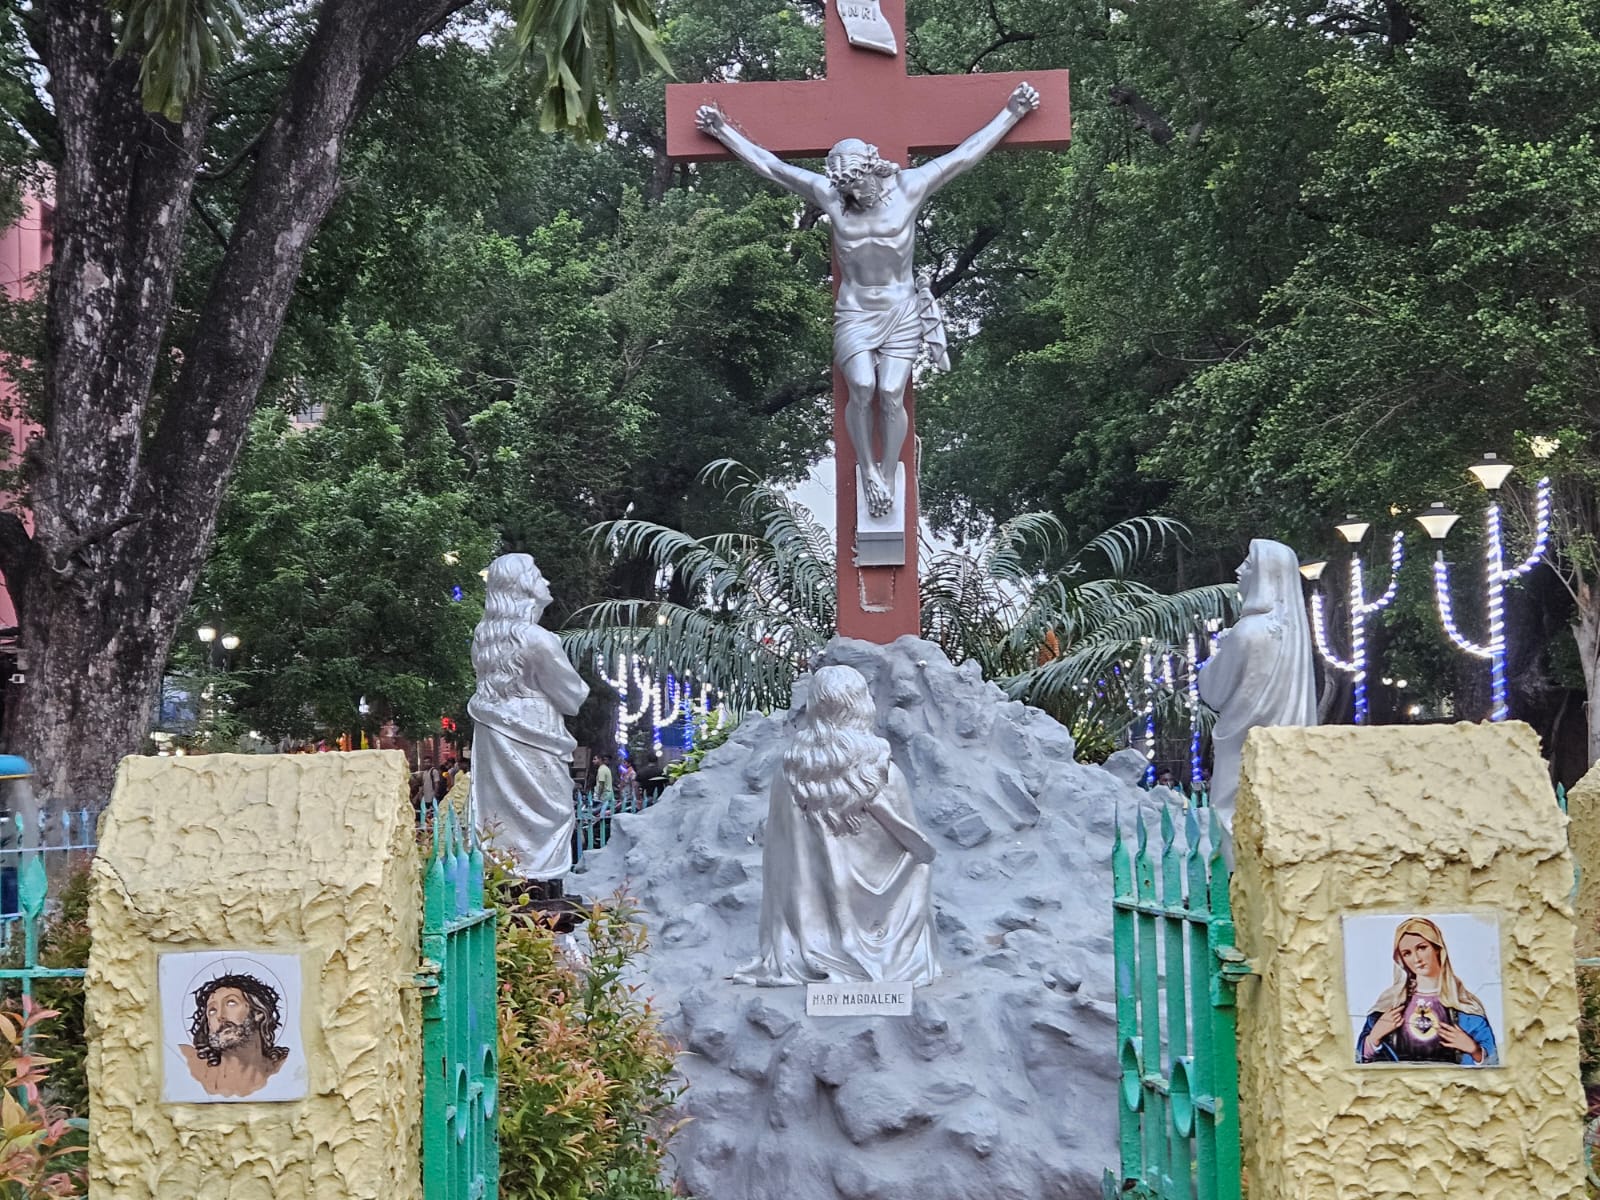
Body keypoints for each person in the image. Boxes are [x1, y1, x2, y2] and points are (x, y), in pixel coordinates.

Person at [696, 83, 1041, 518]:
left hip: (900, 308)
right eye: (844, 188)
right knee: (862, 386)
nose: (850, 195)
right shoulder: (833, 197)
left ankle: (887, 471)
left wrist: (1011, 114)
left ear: (871, 170)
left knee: (892, 390)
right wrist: (724, 132)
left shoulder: (911, 188)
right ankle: (869, 473)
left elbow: (965, 156)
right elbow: (773, 167)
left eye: (855, 184)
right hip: (855, 311)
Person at [734, 665, 939, 987]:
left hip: (808, 912)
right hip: (877, 902)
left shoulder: (788, 777)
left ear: (816, 708)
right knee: (920, 870)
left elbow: (779, 861)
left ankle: (817, 945)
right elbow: (921, 850)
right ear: (861, 707)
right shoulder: (884, 774)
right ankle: (887, 957)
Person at [468, 554, 590, 881]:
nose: (546, 582)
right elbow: (572, 695)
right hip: (536, 729)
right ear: (522, 585)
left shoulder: (484, 637)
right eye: (538, 575)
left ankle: (505, 875)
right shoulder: (538, 639)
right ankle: (540, 878)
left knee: (500, 810)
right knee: (552, 807)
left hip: (493, 730)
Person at [1197, 539, 1317, 832]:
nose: (1239, 570)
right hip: (1288, 752)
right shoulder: (1295, 635)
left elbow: (1213, 692)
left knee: (1234, 822)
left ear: (1266, 575)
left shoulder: (1246, 633)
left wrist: (1218, 654)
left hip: (1242, 748)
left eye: (1248, 565)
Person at [1358, 917, 1497, 1066]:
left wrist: (1474, 1050)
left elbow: (1493, 1063)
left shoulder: (1464, 1005)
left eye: (1422, 948)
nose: (1417, 959)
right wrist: (1374, 1038)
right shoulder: (1390, 1002)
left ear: (1437, 948)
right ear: (1401, 959)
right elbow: (1360, 1061)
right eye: (1407, 953)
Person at [180, 973, 292, 1098]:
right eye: (212, 1010)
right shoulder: (188, 1062)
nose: (220, 1016)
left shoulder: (287, 1067)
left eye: (231, 1003)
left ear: (259, 1012)